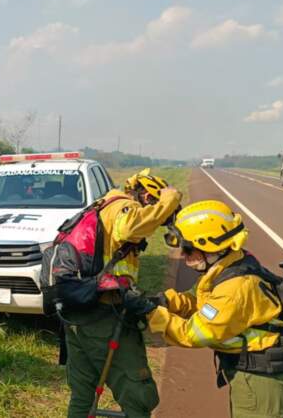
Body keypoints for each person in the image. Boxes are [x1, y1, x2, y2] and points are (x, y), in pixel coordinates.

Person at [122, 200, 283, 417]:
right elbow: (196, 299)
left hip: (265, 383)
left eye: (188, 249)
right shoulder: (227, 267)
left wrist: (150, 313)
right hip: (255, 375)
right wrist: (161, 302)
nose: (182, 255)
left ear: (211, 247)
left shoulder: (235, 288)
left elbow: (194, 333)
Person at [65, 169, 182, 418]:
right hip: (105, 315)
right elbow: (131, 229)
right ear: (147, 197)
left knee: (82, 395)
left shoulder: (99, 206)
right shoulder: (124, 207)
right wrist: (168, 200)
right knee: (139, 395)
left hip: (75, 313)